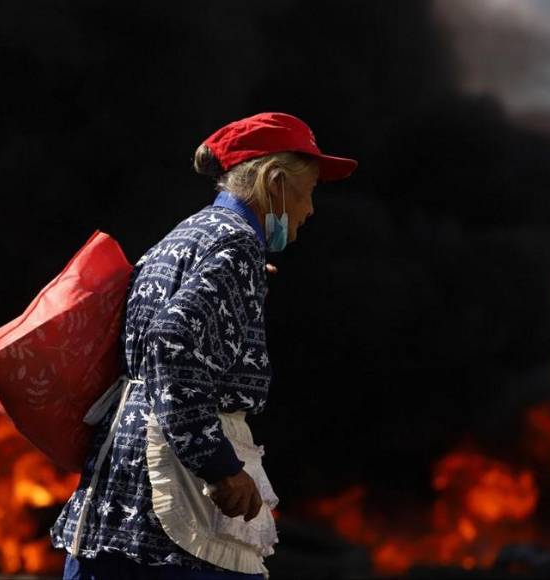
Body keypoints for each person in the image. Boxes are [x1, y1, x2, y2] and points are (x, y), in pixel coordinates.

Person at [51, 112, 358, 579]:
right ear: (275, 183)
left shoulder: (184, 236)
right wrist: (218, 465)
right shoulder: (236, 247)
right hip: (171, 507)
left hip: (121, 487)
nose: (311, 209)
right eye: (309, 189)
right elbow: (172, 341)